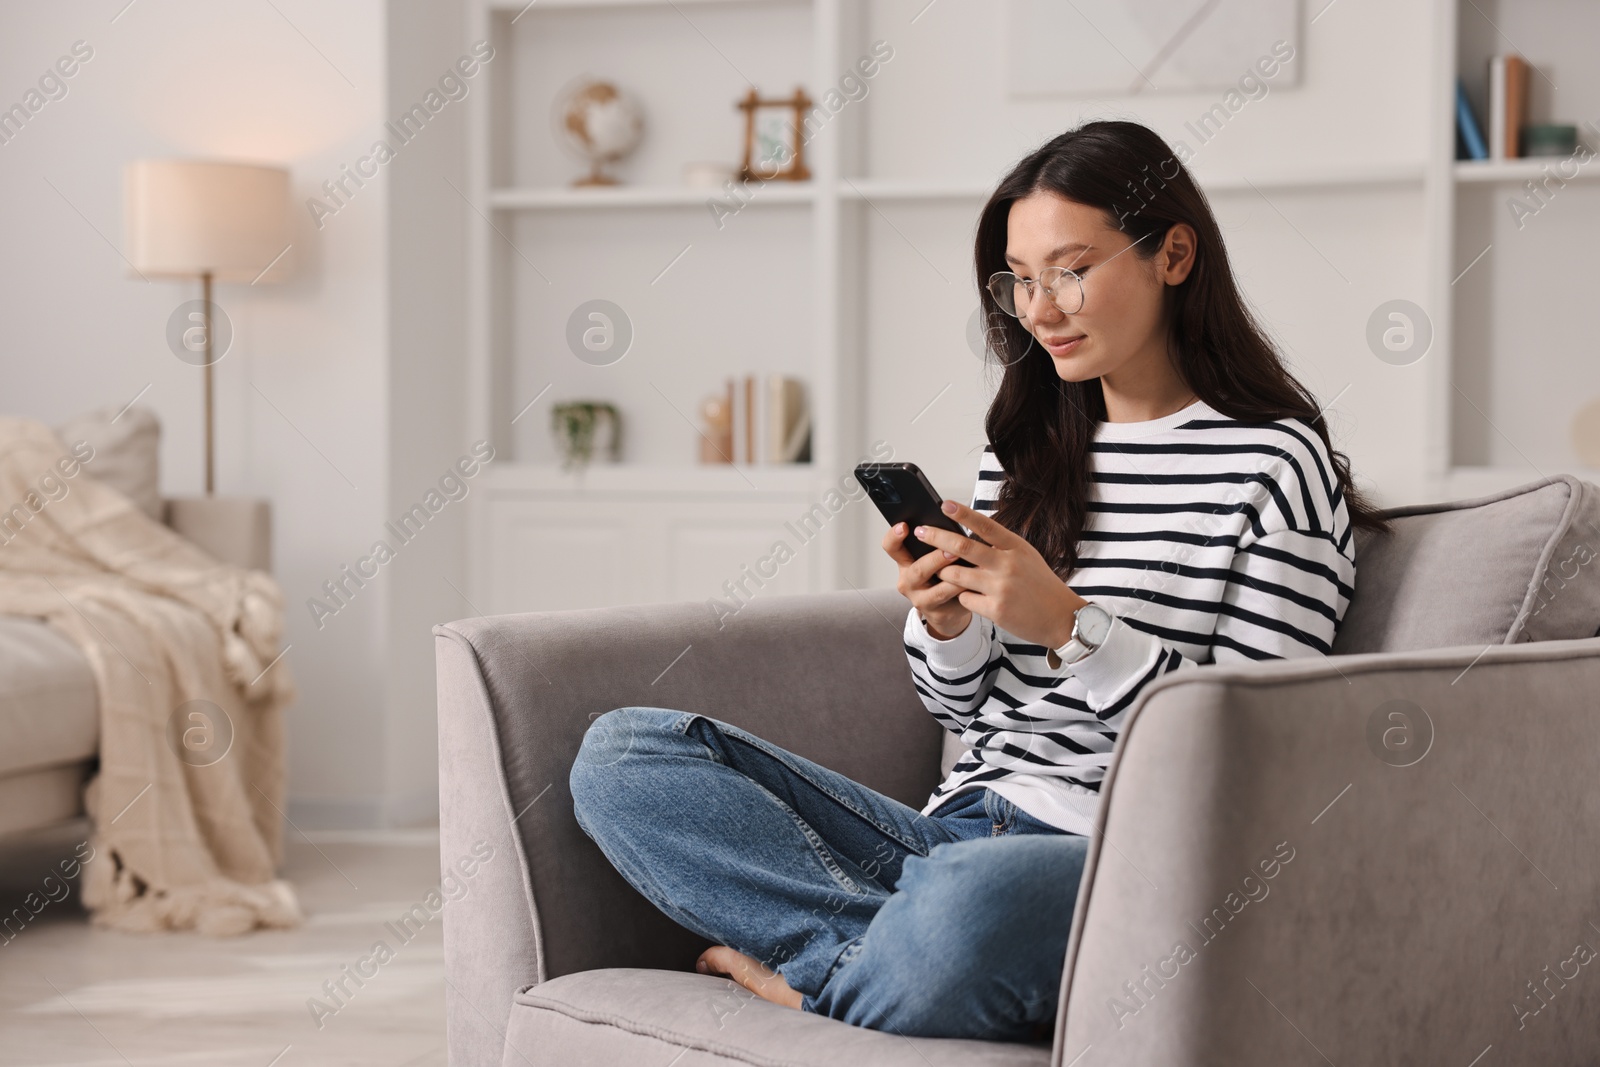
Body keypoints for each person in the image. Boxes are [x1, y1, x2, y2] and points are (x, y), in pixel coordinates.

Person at [568, 119, 1389, 1045]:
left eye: (1071, 270)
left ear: (1173, 254)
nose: (1041, 309)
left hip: (1114, 856)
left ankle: (830, 976)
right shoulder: (1025, 454)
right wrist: (948, 625)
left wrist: (1070, 624)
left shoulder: (1277, 463)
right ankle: (871, 964)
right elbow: (961, 712)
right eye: (1020, 279)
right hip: (943, 837)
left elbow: (1258, 752)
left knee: (971, 900)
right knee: (625, 755)